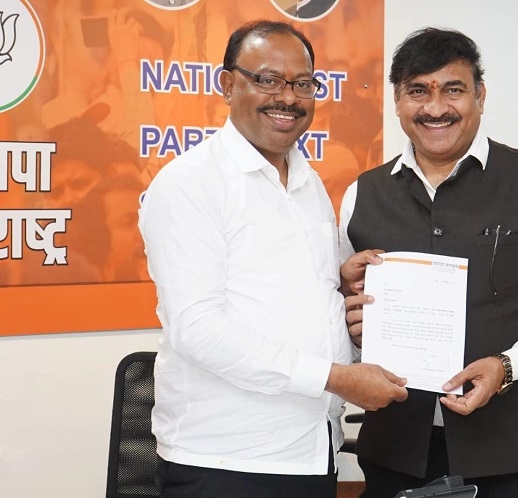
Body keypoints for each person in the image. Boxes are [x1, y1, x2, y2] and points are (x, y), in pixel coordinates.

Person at [138, 20, 408, 498]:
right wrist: (337, 379)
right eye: (267, 79)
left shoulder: (308, 183)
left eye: (302, 83)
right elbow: (197, 328)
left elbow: (290, 294)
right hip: (228, 462)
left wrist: (342, 285)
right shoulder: (190, 184)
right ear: (228, 85)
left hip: (312, 451)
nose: (287, 97)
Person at [338, 27, 518, 498]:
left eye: (453, 90)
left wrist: (507, 366)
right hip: (394, 455)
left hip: (514, 457)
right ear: (397, 100)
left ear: (480, 95)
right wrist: (352, 327)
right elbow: (345, 315)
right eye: (418, 91)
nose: (435, 107)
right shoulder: (362, 193)